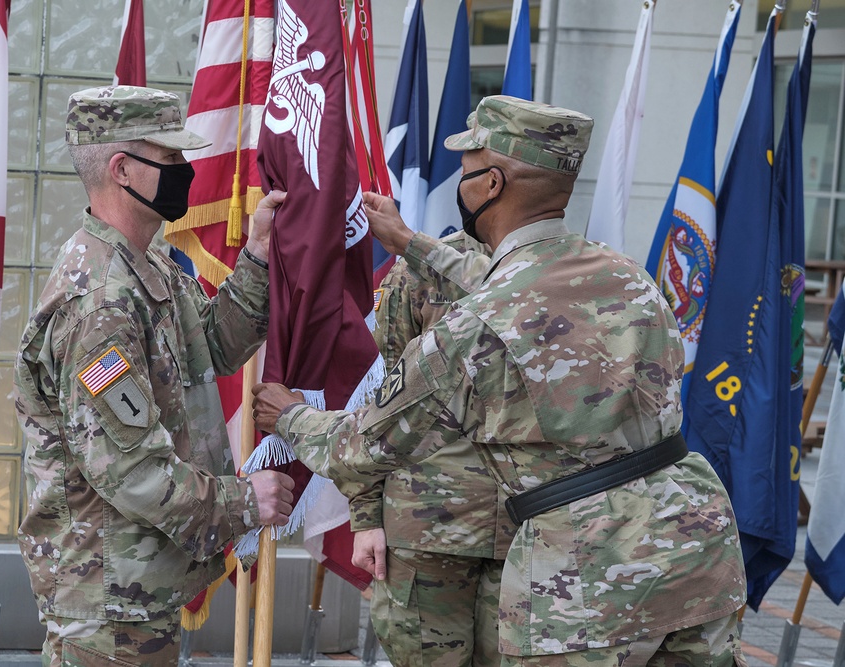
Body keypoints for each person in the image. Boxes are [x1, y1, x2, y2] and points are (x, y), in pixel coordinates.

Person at [253, 95, 748, 666]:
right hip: (694, 544)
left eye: (465, 170)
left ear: (490, 185)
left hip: (589, 575)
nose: (458, 183)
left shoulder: (478, 324)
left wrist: (289, 415)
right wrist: (411, 242)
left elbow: (364, 447)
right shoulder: (626, 276)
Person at [13, 85, 295, 667]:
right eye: (170, 159)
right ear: (122, 170)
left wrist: (260, 254)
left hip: (136, 587)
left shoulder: (147, 266)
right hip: (106, 602)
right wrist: (244, 502)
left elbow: (212, 347)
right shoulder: (99, 302)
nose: (187, 171)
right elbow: (132, 469)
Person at [345, 228, 509, 667]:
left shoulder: (554, 269)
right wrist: (365, 515)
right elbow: (377, 400)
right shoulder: (419, 271)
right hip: (428, 529)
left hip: (528, 527)